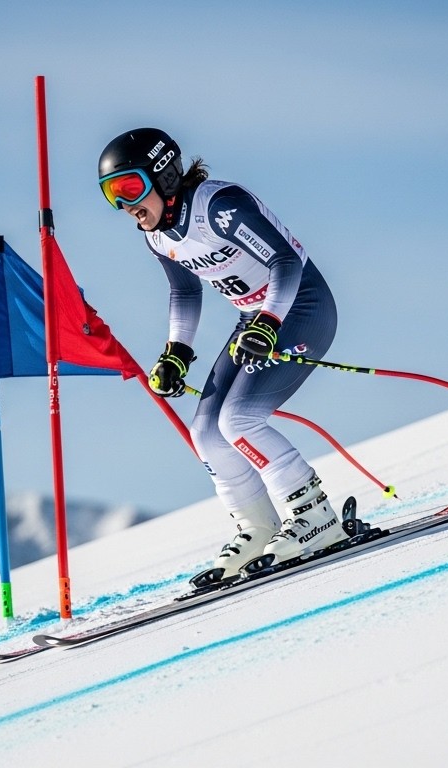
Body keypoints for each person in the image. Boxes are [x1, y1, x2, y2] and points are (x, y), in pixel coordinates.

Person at [98, 127, 346, 578]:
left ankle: (317, 516)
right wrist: (176, 352)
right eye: (111, 194)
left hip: (302, 307)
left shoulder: (219, 207)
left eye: (129, 187)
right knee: (206, 432)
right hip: (255, 320)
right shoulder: (157, 236)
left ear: (164, 175)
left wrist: (270, 320)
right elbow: (185, 292)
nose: (124, 205)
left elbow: (285, 262)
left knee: (239, 420)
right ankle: (258, 525)